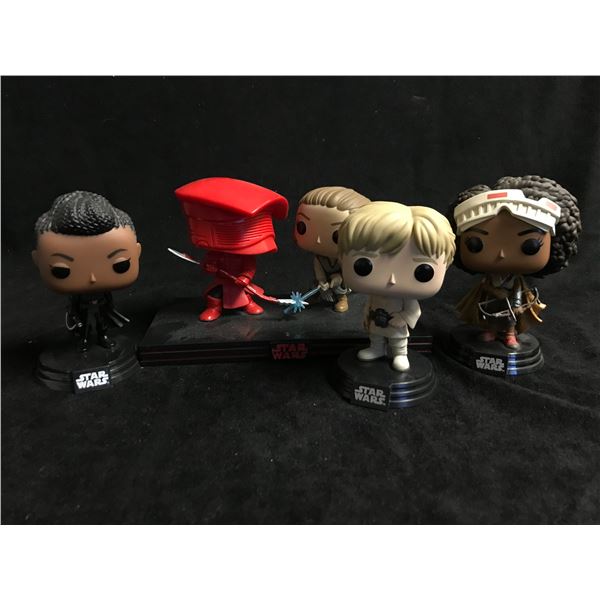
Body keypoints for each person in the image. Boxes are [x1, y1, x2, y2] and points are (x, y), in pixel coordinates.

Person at [449, 175, 581, 349]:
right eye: (475, 244)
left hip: (510, 303)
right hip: (492, 300)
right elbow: (485, 286)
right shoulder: (492, 278)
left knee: (510, 318)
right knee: (491, 316)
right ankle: (491, 331)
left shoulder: (514, 278)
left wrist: (516, 303)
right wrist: (496, 292)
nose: (502, 254)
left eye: (530, 246)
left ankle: (510, 335)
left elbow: (518, 288)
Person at [338, 201, 455, 371]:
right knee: (375, 336)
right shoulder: (374, 294)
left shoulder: (406, 298)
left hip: (395, 322)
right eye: (363, 265)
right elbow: (369, 304)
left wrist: (402, 318)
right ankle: (376, 349)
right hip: (377, 319)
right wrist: (366, 315)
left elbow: (414, 310)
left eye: (423, 271)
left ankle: (400, 354)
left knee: (398, 340)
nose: (392, 279)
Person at [32, 191, 141, 351]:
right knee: (82, 324)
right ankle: (83, 339)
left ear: (137, 252)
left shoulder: (104, 293)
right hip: (82, 306)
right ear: (37, 260)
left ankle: (103, 337)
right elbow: (73, 306)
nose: (92, 278)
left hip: (101, 304)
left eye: (120, 265)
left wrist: (109, 308)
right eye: (61, 271)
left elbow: (109, 303)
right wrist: (73, 312)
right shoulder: (77, 296)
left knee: (102, 322)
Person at [294, 186, 370, 312]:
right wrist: (322, 281)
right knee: (316, 285)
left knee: (340, 288)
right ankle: (317, 295)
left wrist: (338, 278)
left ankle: (342, 298)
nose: (318, 240)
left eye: (336, 235)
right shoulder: (319, 258)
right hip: (325, 279)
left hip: (341, 279)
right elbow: (318, 269)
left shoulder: (344, 259)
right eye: (302, 227)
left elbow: (348, 273)